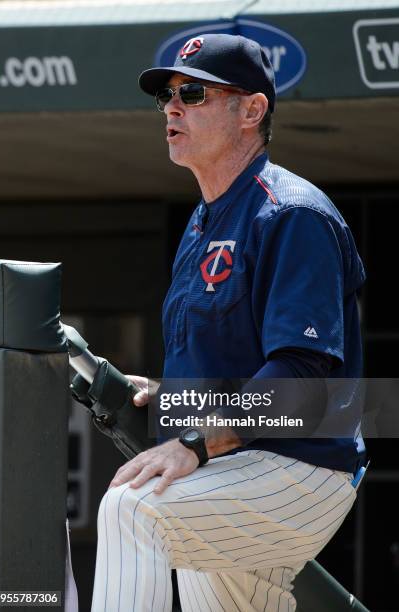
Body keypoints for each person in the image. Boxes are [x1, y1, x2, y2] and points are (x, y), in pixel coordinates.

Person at [91, 33, 367, 611]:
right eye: (167, 94)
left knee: (134, 505)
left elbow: (298, 380)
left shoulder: (292, 214)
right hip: (230, 465)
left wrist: (192, 441)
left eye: (193, 92)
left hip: (299, 466)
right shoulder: (201, 223)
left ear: (252, 110)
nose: (172, 106)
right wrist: (170, 397)